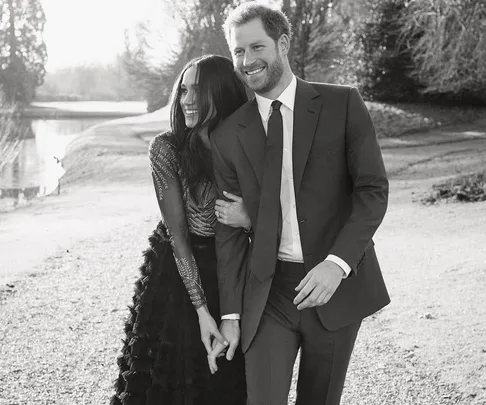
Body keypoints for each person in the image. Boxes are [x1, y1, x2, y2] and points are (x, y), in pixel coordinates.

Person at [209, 3, 391, 405]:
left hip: (334, 288)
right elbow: (228, 234)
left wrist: (336, 263)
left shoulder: (342, 105)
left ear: (283, 43)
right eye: (238, 52)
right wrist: (231, 315)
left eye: (256, 47)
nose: (246, 60)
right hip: (267, 293)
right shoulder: (227, 135)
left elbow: (372, 191)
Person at [110, 54, 249, 405]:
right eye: (183, 90)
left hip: (232, 268)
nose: (187, 100)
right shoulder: (166, 148)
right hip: (178, 269)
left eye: (198, 91)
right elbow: (179, 237)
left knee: (230, 378)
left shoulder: (246, 145)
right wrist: (203, 313)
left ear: (222, 93)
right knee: (173, 379)